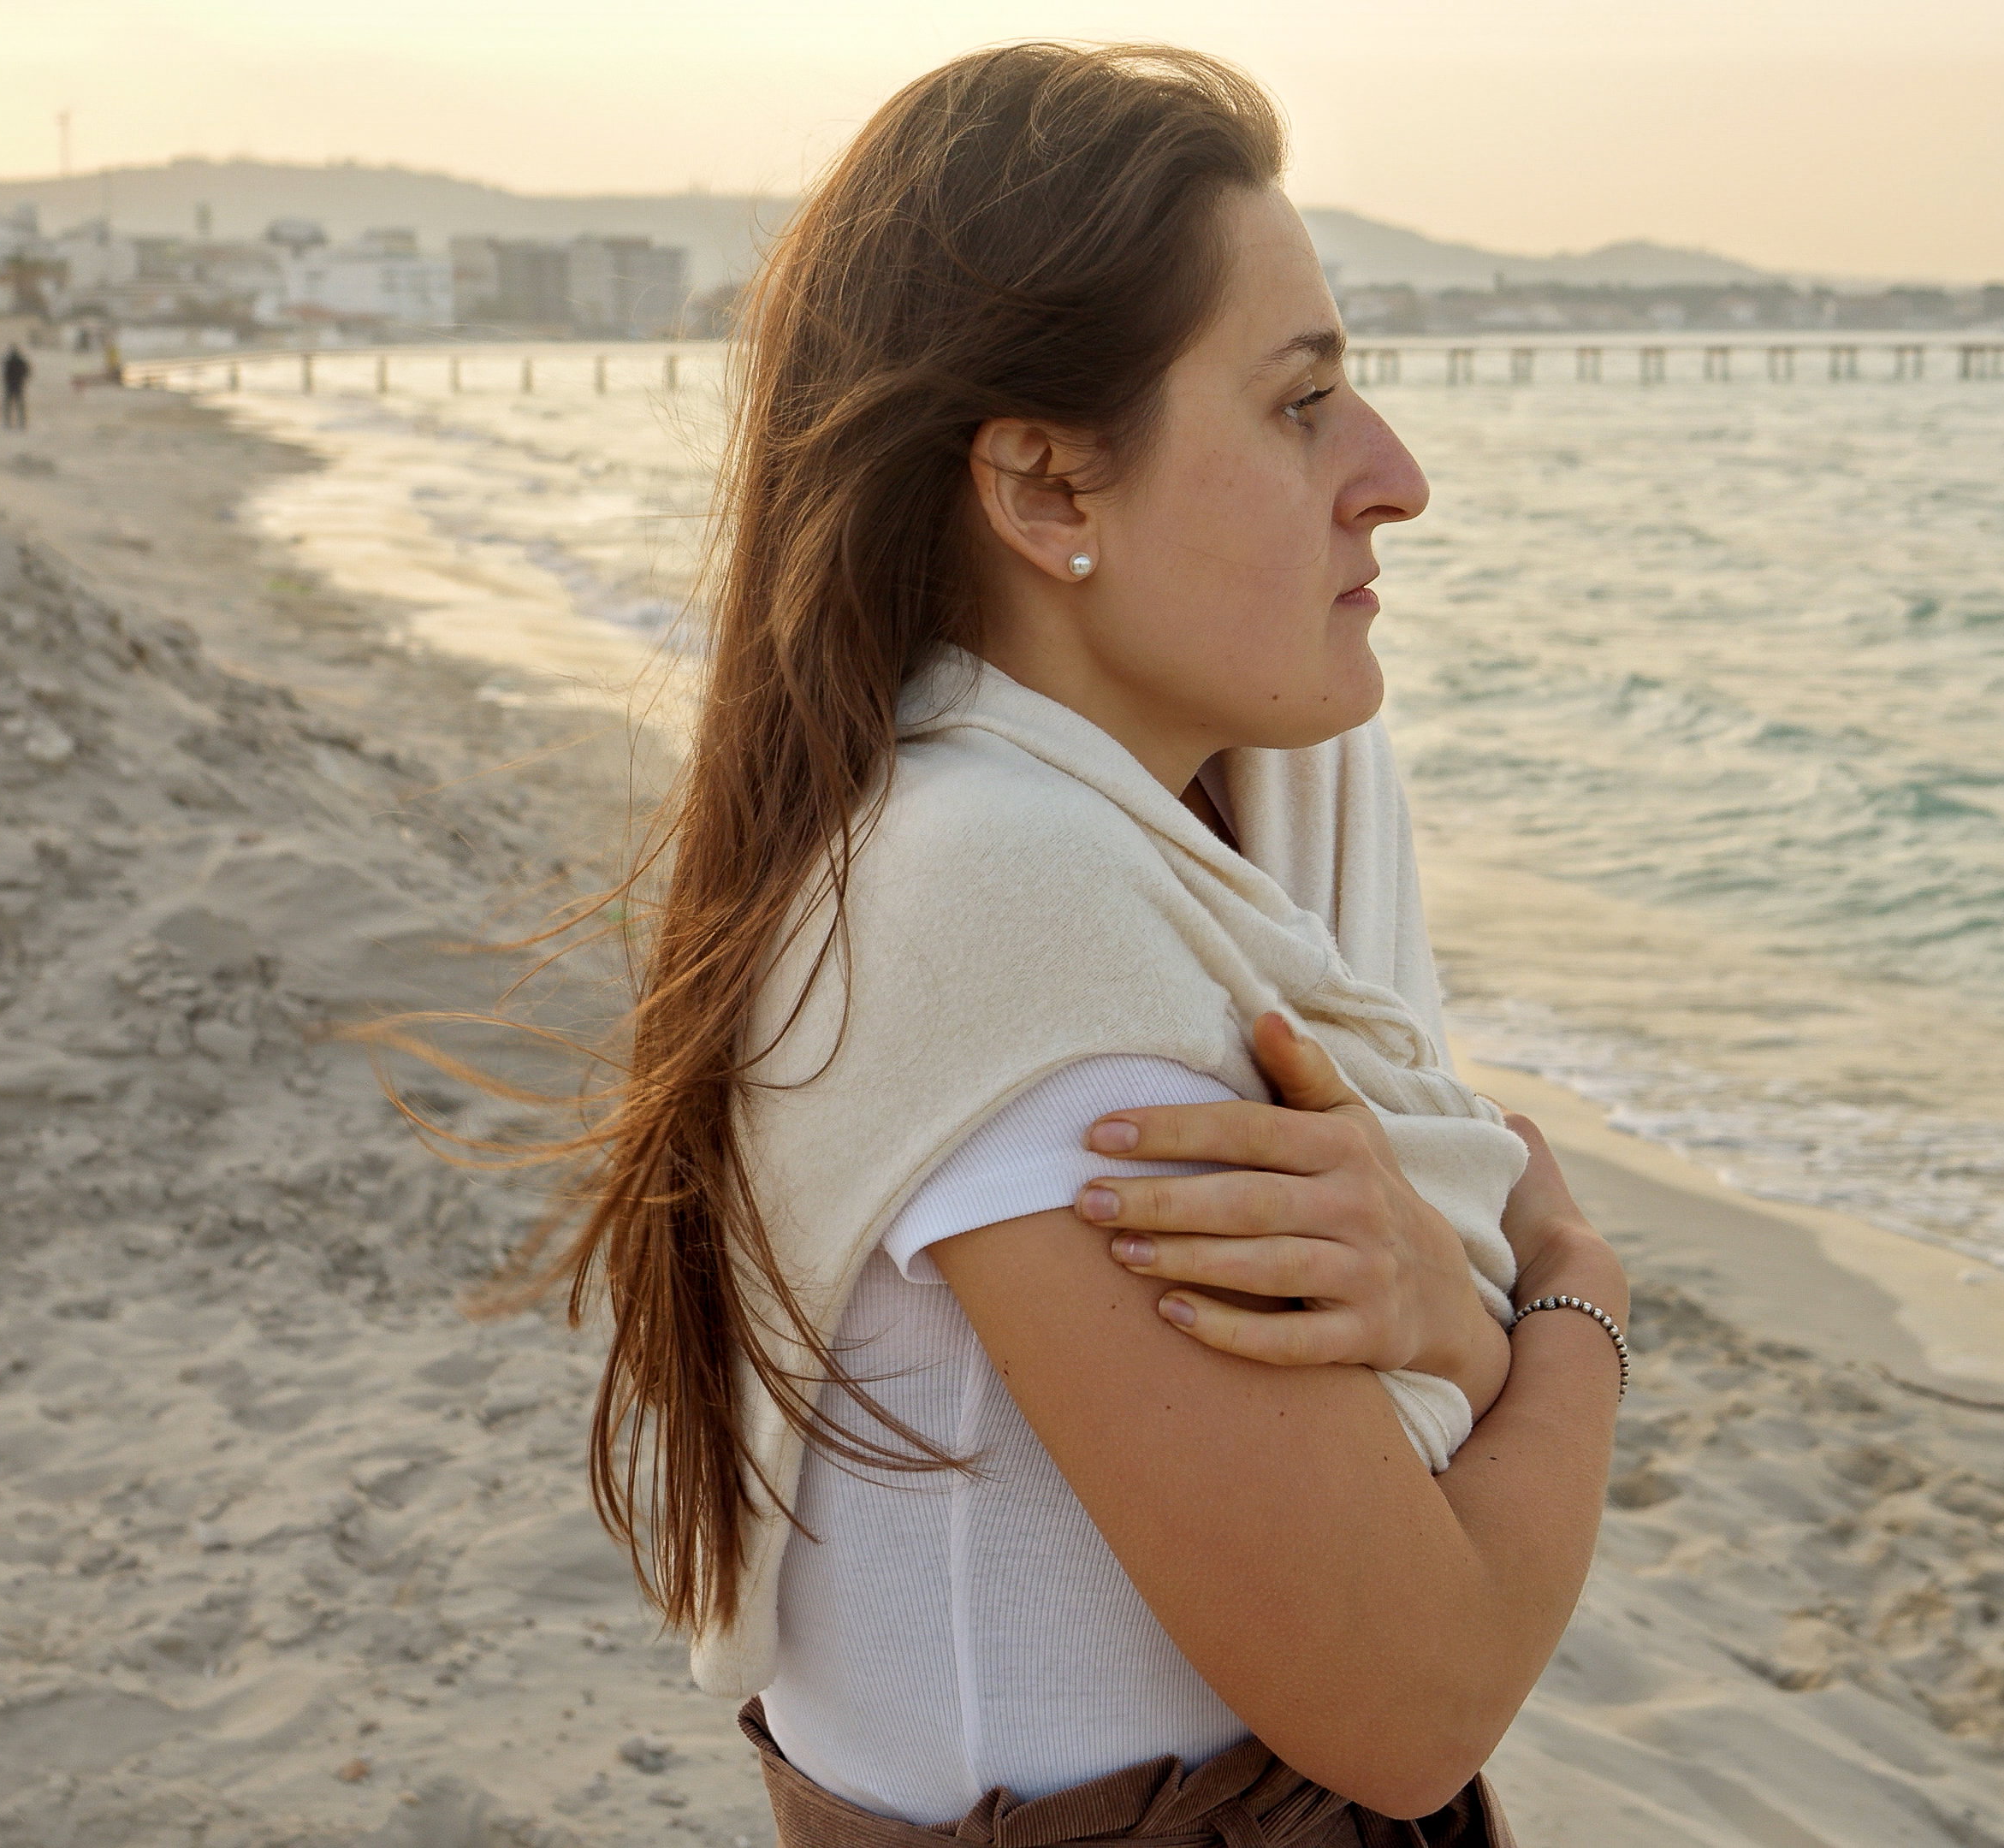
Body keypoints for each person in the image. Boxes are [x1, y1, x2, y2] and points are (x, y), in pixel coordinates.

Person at [513, 43, 1628, 1846]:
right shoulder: (1004, 900)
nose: (1395, 476)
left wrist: (1462, 1315)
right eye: (1300, 404)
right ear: (1046, 493)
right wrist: (1577, 1297)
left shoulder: (1028, 846)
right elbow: (1419, 1694)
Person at [0, 342, 30, 429]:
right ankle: (22, 423)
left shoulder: (8, 361)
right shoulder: (21, 361)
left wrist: (6, 381)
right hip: (18, 385)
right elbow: (27, 372)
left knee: (8, 405)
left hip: (10, 385)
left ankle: (7, 423)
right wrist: (22, 380)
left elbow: (4, 373)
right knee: (19, 405)